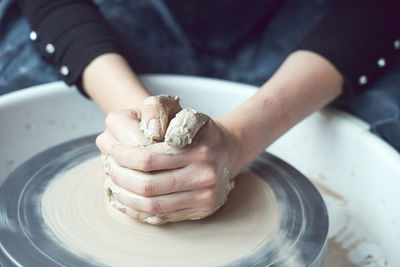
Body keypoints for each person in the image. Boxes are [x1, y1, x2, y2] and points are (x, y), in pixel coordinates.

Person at [3, 0, 399, 223]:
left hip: (307, 18)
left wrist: (240, 140)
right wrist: (140, 130)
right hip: (122, 12)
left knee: (387, 128)